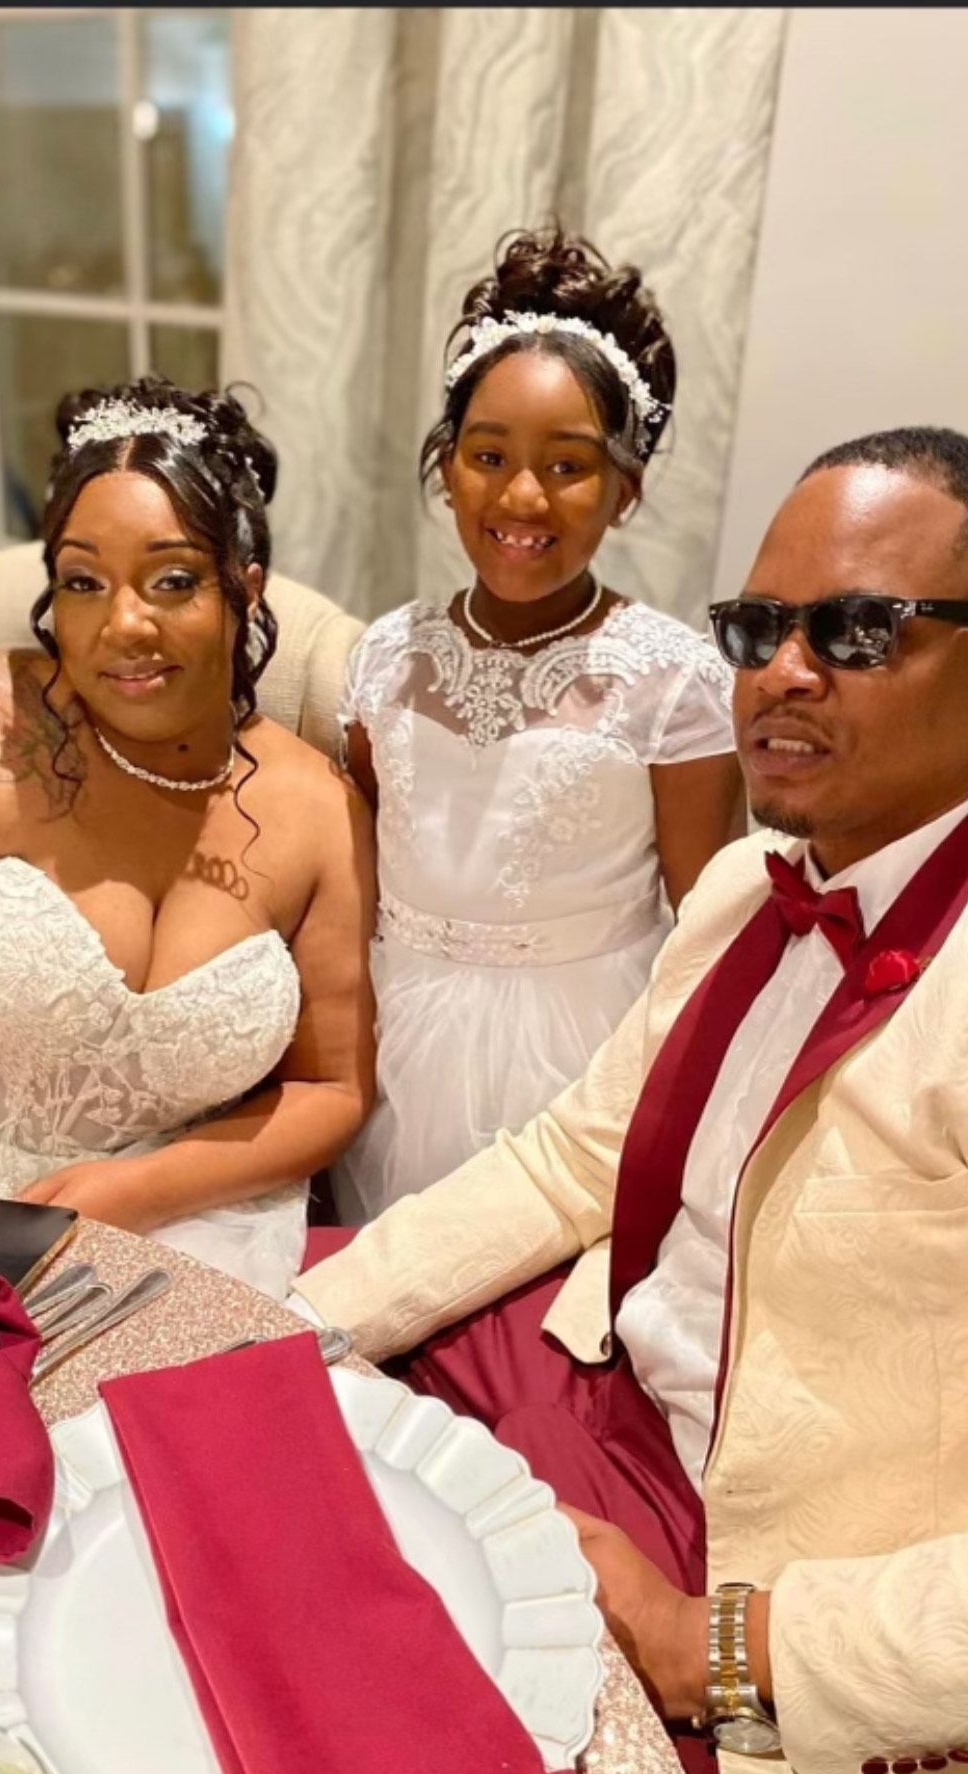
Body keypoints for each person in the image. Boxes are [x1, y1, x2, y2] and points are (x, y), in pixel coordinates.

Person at [296, 426, 968, 1774]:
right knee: (241, 1490)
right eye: (757, 629)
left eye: (858, 630)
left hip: (767, 1589)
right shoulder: (751, 889)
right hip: (595, 1396)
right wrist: (308, 1326)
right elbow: (575, 1157)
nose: (782, 672)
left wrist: (717, 1646)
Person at [0, 377, 377, 1297]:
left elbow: (331, 1089)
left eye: (172, 581)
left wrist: (136, 1190)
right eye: (84, 582)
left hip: (168, 1235)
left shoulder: (319, 808)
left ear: (243, 591)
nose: (123, 625)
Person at [332, 230, 742, 1222]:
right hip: (402, 1036)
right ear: (447, 468)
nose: (522, 496)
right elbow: (363, 870)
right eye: (488, 457)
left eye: (567, 466)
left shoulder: (674, 681)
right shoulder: (388, 655)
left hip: (579, 1053)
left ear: (624, 490)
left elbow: (707, 925)